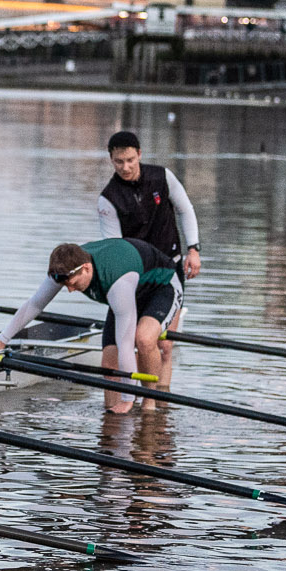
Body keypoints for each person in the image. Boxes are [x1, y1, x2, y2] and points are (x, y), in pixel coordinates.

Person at [0, 237, 183, 414]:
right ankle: (112, 422)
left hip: (161, 285)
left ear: (87, 268)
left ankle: (149, 404)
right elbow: (35, 304)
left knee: (143, 338)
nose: (70, 290)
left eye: (73, 284)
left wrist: (128, 398)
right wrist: (1, 340)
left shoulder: (117, 283)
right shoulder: (63, 268)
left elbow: (126, 344)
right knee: (109, 363)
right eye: (66, 286)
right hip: (129, 289)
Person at [98, 130, 201, 389]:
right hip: (136, 275)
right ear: (111, 159)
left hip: (169, 269)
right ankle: (134, 404)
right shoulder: (108, 199)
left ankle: (159, 402)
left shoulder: (162, 177)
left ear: (140, 155)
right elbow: (115, 248)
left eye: (131, 160)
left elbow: (186, 209)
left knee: (164, 344)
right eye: (119, 162)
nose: (126, 167)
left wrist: (194, 249)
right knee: (136, 342)